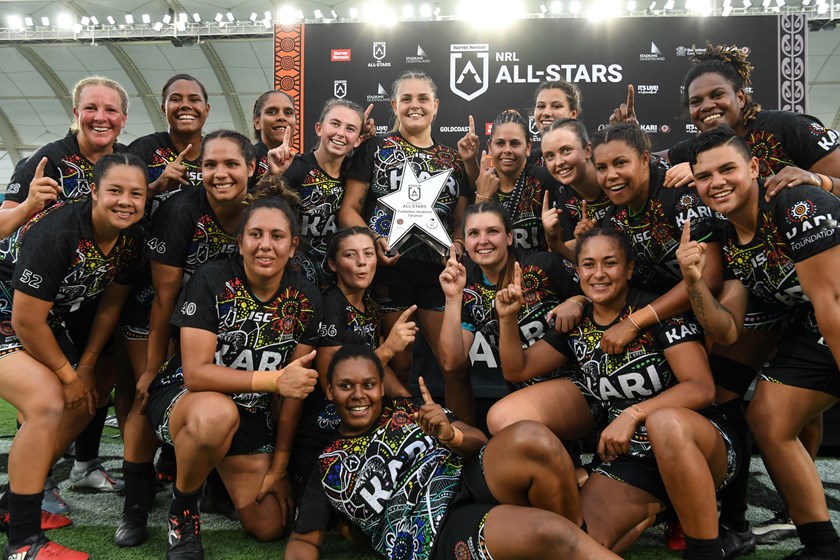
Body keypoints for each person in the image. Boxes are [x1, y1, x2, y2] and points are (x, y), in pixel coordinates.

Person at [486, 227, 738, 560]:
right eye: (588, 265)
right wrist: (508, 319)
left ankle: (706, 551)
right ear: (577, 272)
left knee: (664, 423)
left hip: (697, 445)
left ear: (629, 269)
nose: (599, 274)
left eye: (610, 263)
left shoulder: (653, 312)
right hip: (631, 458)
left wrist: (635, 414)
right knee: (582, 541)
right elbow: (517, 370)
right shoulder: (577, 321)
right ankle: (659, 508)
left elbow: (701, 387)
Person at [120, 182, 323, 559]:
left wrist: (279, 465)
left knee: (271, 526)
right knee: (215, 414)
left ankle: (216, 485)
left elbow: (294, 390)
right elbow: (197, 373)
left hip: (250, 410)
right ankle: (183, 511)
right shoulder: (212, 278)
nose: (265, 245)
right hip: (188, 398)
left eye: (277, 236)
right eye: (255, 234)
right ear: (240, 240)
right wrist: (273, 381)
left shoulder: (307, 295)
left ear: (293, 245)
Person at [285, 344, 621, 560]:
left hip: (467, 475)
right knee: (551, 532)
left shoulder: (408, 408)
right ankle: (575, 545)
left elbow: (477, 440)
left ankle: (578, 545)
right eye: (346, 386)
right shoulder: (327, 466)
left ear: (380, 387)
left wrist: (451, 434)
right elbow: (304, 542)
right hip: (434, 530)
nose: (359, 395)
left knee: (533, 436)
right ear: (329, 391)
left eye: (368, 385)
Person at [677, 126, 840, 559]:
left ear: (753, 168)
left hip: (835, 315)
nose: (717, 183)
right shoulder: (728, 237)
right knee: (768, 419)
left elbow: (835, 301)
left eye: (727, 169)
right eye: (705, 176)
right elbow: (727, 330)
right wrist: (695, 284)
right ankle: (822, 545)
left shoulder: (793, 202)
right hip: (813, 326)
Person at [115, 129, 259, 547]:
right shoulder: (181, 211)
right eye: (210, 164)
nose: (219, 173)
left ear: (251, 167)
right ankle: (136, 506)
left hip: (220, 319)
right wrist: (154, 366)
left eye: (231, 163)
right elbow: (164, 299)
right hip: (160, 313)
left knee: (217, 401)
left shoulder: (261, 209)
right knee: (148, 395)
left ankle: (211, 489)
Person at [0, 153, 147, 560]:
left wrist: (85, 367)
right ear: (95, 191)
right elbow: (26, 322)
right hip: (12, 312)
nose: (125, 201)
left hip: (42, 316)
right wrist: (68, 375)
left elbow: (111, 306)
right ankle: (24, 544)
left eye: (136, 193)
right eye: (115, 191)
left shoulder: (131, 236)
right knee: (48, 400)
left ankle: (13, 503)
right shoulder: (59, 231)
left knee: (86, 401)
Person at [338, 70, 469, 386]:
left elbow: (462, 221)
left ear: (435, 105)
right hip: (388, 269)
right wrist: (374, 242)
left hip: (439, 273)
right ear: (394, 105)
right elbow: (349, 210)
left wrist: (459, 246)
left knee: (454, 366)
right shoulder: (374, 149)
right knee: (398, 362)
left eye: (423, 98)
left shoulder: (454, 159)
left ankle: (468, 435)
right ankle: (397, 428)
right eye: (406, 99)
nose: (416, 105)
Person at [292, 226, 415, 488]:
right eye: (351, 255)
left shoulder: (370, 306)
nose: (361, 262)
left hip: (360, 421)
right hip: (324, 431)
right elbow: (331, 381)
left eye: (369, 254)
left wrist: (409, 403)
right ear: (333, 264)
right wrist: (388, 350)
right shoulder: (328, 305)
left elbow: (384, 372)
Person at [437, 202, 580, 421]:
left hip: (574, 384)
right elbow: (451, 362)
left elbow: (599, 299)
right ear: (464, 243)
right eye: (474, 233)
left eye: (492, 231)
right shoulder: (468, 286)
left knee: (502, 420)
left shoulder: (544, 266)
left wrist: (580, 300)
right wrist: (453, 298)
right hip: (521, 395)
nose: (483, 240)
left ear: (510, 237)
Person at [0, 76, 129, 238]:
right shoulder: (47, 159)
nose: (100, 117)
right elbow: (1, 228)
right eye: (90, 108)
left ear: (123, 118)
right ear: (76, 114)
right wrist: (28, 206)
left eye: (111, 110)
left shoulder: (130, 161)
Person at [276, 99, 366, 291]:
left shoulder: (355, 175)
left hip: (337, 281)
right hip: (294, 278)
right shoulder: (295, 168)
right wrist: (273, 176)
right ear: (319, 128)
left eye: (350, 129)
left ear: (358, 140)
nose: (341, 133)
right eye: (335, 124)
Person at [473, 109, 562, 252]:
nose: (507, 150)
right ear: (490, 147)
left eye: (514, 143)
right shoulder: (482, 183)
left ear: (528, 147)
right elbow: (475, 241)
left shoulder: (545, 180)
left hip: (537, 270)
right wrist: (483, 197)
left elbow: (559, 244)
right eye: (500, 143)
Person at [540, 118, 613, 261]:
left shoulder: (614, 176)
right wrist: (553, 239)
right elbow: (572, 259)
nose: (559, 162)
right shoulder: (565, 201)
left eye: (566, 150)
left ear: (587, 150)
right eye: (550, 156)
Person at [529, 80, 582, 167]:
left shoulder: (588, 159)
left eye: (556, 106)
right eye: (541, 106)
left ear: (573, 114)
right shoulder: (528, 161)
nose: (546, 113)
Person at [251, 90, 298, 185]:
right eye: (272, 112)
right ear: (257, 123)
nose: (281, 117)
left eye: (288, 112)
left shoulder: (301, 163)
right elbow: (242, 199)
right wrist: (270, 176)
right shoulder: (247, 158)